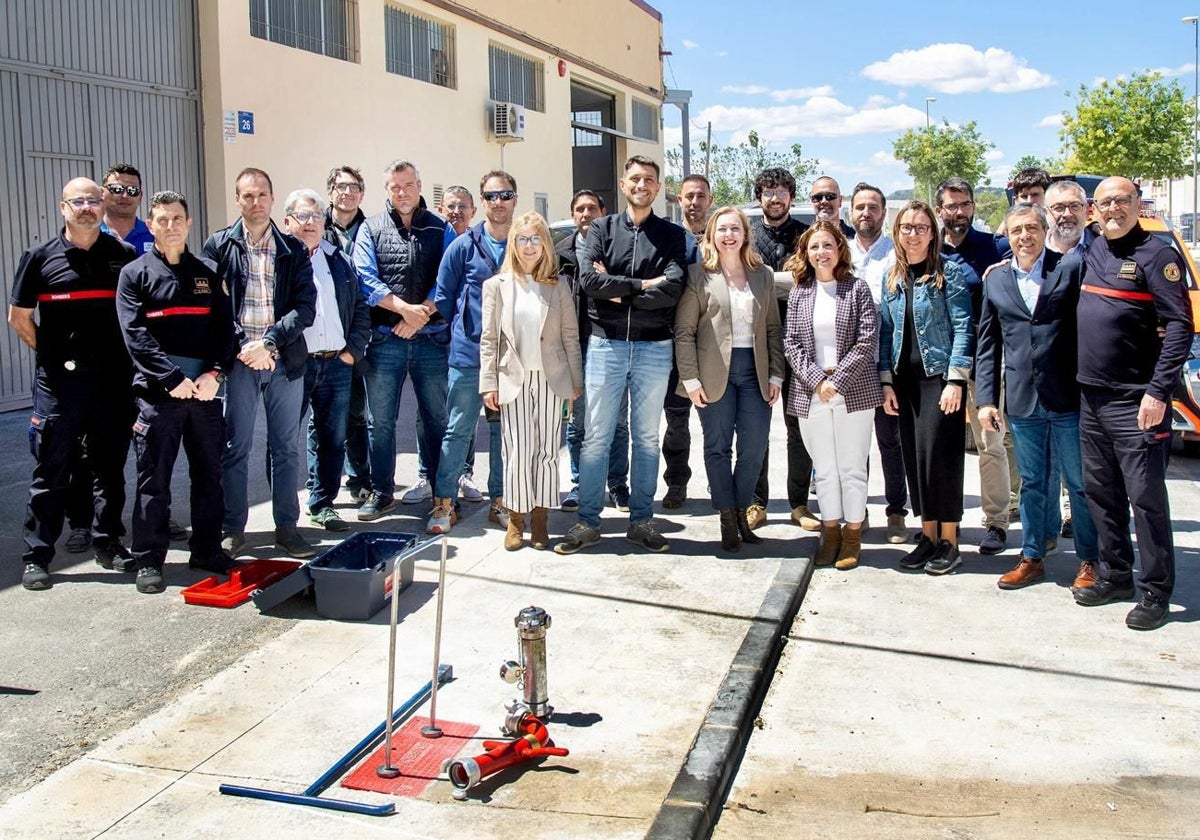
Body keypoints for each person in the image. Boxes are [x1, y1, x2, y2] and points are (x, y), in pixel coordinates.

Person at [1074, 177, 1193, 630]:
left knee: (1146, 499)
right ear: (1094, 211)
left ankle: (1156, 591)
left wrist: (1159, 391)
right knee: (1101, 494)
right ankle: (1116, 575)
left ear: (1138, 204)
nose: (1113, 210)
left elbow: (1179, 326)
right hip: (1092, 397)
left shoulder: (1158, 256)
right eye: (1104, 203)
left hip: (1136, 401)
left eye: (1122, 201)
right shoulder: (1096, 249)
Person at [554, 155, 686, 555]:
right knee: (595, 437)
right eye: (635, 179)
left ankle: (641, 521)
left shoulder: (673, 235)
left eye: (649, 179)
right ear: (623, 184)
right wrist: (644, 284)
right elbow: (591, 282)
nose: (641, 184)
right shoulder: (601, 227)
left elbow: (675, 287)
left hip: (654, 348)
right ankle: (588, 522)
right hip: (605, 345)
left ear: (658, 187)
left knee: (646, 438)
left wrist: (620, 290)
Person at [9, 178, 137, 591]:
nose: (86, 207)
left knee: (110, 469)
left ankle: (109, 543)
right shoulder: (39, 257)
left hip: (112, 383)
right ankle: (37, 556)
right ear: (62, 207)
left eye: (93, 200)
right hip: (60, 385)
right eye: (77, 201)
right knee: (52, 468)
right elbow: (19, 317)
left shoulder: (123, 255)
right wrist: (49, 356)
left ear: (103, 206)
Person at [116, 190, 238, 594]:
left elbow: (225, 331)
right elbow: (136, 336)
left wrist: (215, 374)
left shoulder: (206, 270)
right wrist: (171, 378)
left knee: (209, 475)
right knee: (154, 479)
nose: (170, 226)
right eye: (161, 220)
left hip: (204, 393)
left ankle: (206, 548)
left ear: (188, 223)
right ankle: (149, 558)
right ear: (150, 226)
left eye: (177, 219)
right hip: (159, 395)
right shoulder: (134, 274)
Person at [975, 203, 1099, 593]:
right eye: (1016, 231)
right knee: (1032, 482)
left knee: (1078, 483)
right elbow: (987, 343)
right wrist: (986, 400)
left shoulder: (1069, 268)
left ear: (1044, 231)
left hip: (1067, 397)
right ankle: (1031, 557)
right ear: (1007, 237)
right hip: (1023, 399)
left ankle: (1090, 559)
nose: (1024, 237)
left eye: (1031, 228)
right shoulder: (995, 278)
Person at [203, 167, 317, 560]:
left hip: (283, 362)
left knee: (285, 447)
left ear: (272, 198)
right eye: (247, 196)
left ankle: (287, 526)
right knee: (236, 446)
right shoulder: (218, 246)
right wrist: (242, 347)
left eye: (262, 195)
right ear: (238, 199)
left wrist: (268, 343)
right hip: (239, 365)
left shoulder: (292, 249)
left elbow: (305, 309)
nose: (255, 202)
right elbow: (211, 309)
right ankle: (233, 527)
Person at [674, 206, 783, 551]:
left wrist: (777, 374)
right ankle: (727, 517)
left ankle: (740, 511)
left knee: (753, 448)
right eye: (722, 229)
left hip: (755, 372)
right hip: (712, 374)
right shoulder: (698, 275)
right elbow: (684, 331)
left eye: (735, 228)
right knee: (717, 447)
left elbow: (773, 329)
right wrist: (690, 380)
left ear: (745, 234)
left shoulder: (762, 275)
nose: (729, 235)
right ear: (712, 236)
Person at [880, 201, 973, 575]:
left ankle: (950, 541)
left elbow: (965, 328)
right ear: (897, 234)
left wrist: (955, 379)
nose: (913, 235)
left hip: (939, 381)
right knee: (917, 463)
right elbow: (887, 333)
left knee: (941, 461)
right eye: (906, 228)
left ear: (933, 233)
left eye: (920, 228)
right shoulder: (893, 278)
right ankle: (928, 537)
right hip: (905, 384)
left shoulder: (948, 274)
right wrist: (886, 381)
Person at [480, 212, 583, 550]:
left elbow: (570, 336)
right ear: (513, 243)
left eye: (536, 239)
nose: (529, 246)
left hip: (552, 380)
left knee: (547, 452)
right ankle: (516, 519)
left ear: (545, 245)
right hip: (515, 380)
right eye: (523, 239)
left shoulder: (558, 285)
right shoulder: (496, 286)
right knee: (517, 451)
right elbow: (489, 339)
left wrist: (574, 382)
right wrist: (488, 383)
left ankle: (541, 520)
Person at [352, 160, 449, 521]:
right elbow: (364, 277)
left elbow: (449, 277)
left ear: (420, 185)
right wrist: (403, 310)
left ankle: (443, 493)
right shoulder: (371, 228)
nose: (403, 192)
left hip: (431, 340)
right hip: (385, 340)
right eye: (395, 187)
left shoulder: (439, 229)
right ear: (387, 190)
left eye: (408, 185)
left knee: (437, 418)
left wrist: (420, 312)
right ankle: (381, 492)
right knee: (382, 423)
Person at [784, 221, 881, 569]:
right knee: (824, 469)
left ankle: (852, 535)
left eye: (827, 245)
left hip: (853, 390)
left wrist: (837, 381)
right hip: (812, 392)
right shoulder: (800, 291)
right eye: (814, 247)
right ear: (805, 254)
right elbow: (791, 344)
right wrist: (817, 381)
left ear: (840, 249)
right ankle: (830, 532)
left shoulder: (857, 290)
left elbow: (867, 339)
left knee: (852, 468)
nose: (821, 252)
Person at [426, 171, 518, 534]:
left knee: (502, 432)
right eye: (492, 196)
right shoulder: (463, 246)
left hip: (511, 357)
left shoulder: (523, 243)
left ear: (514, 198)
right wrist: (469, 330)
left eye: (505, 194)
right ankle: (444, 503)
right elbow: (444, 299)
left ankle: (499, 501)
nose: (499, 202)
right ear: (482, 201)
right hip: (468, 356)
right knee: (458, 429)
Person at [282, 189, 371, 533]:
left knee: (332, 438)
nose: (310, 223)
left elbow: (360, 309)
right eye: (303, 216)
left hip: (336, 363)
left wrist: (352, 351)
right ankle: (284, 511)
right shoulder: (281, 261)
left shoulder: (338, 259)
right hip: (295, 364)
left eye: (316, 216)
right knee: (284, 440)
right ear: (288, 221)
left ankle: (322, 503)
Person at [935, 177, 1011, 555]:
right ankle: (942, 523)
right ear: (940, 211)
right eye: (951, 205)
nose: (959, 212)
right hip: (941, 368)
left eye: (965, 204)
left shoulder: (995, 248)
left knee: (990, 445)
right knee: (941, 447)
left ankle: (997, 522)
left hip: (983, 363)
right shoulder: (929, 251)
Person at [747, 167, 816, 532]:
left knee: (797, 427)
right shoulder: (747, 235)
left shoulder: (807, 236)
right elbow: (744, 282)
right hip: (756, 341)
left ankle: (799, 503)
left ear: (792, 196)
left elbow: (809, 282)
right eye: (768, 191)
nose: (775, 198)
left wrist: (766, 280)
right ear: (759, 197)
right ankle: (757, 502)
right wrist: (783, 282)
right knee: (756, 426)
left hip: (799, 342)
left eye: (782, 191)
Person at [555, 189, 630, 512]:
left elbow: (634, 294)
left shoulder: (620, 249)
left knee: (616, 422)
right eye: (579, 209)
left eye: (591, 208)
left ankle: (617, 485)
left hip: (613, 344)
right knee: (578, 423)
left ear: (603, 212)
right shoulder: (559, 254)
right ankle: (580, 484)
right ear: (573, 216)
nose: (585, 214)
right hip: (574, 347)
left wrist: (609, 279)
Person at [848, 182, 908, 545]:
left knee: (891, 442)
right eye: (860, 207)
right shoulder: (841, 253)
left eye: (873, 207)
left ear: (884, 213)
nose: (866, 213)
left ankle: (896, 511)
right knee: (856, 446)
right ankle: (859, 510)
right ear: (850, 212)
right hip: (851, 365)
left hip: (888, 364)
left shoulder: (896, 254)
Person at [660, 173, 713, 509]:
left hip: (712, 347)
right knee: (676, 420)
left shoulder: (722, 236)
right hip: (674, 345)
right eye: (688, 196)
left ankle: (719, 483)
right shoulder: (669, 239)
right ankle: (676, 482)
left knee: (717, 424)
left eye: (700, 196)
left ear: (709, 200)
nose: (694, 202)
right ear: (679, 200)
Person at [323, 165, 372, 503]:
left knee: (357, 413)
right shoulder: (315, 229)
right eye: (341, 186)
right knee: (322, 420)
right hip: (322, 340)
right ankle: (321, 486)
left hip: (359, 333)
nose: (348, 192)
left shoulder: (371, 230)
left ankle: (359, 478)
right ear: (330, 192)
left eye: (354, 187)